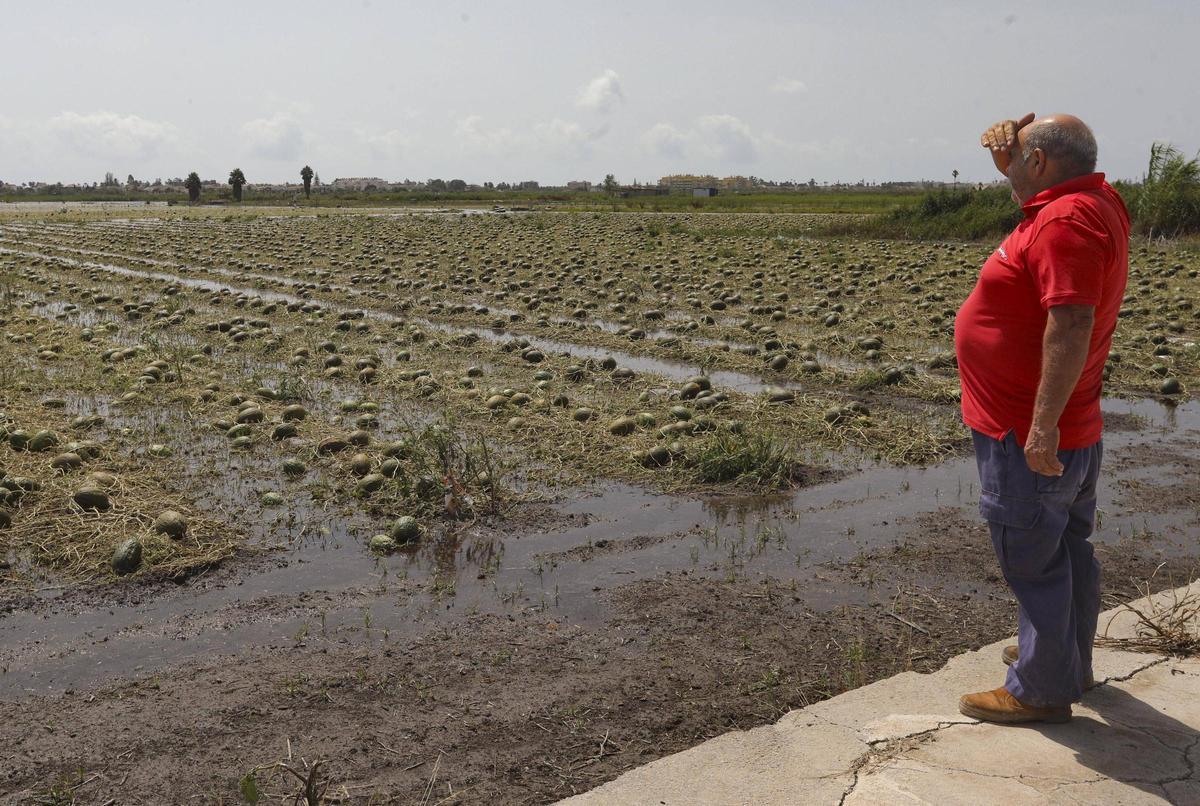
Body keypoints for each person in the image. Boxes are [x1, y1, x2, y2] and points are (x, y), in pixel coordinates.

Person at [954, 113, 1130, 724]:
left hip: (1029, 431)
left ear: (1041, 163)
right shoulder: (1093, 199)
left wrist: (1041, 426)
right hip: (1072, 424)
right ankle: (1063, 658)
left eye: (1022, 156)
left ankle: (1041, 689)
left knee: (1032, 558)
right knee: (1068, 548)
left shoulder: (1064, 221)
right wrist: (1017, 173)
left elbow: (1072, 319)